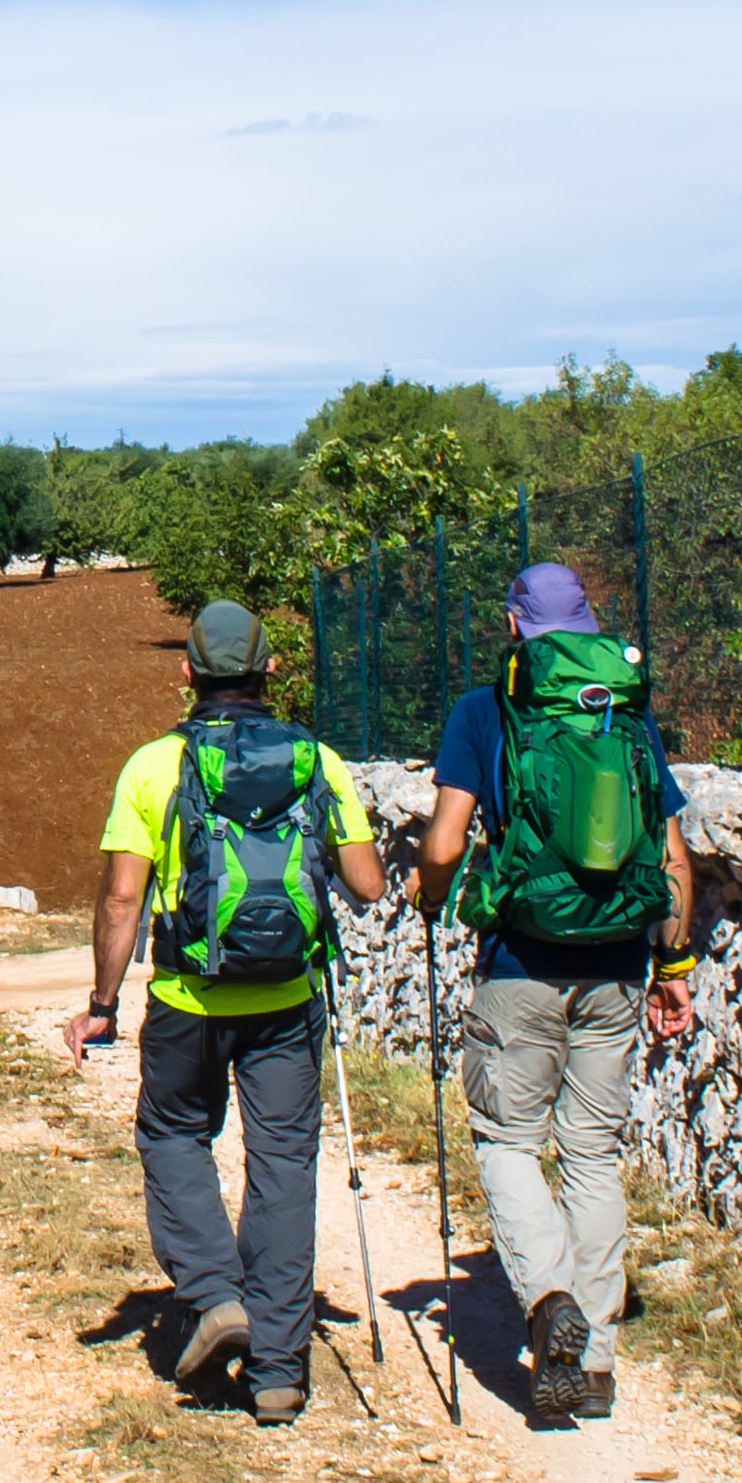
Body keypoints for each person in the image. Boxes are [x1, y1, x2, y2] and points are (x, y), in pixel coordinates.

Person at [64, 600, 388, 1426]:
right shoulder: (318, 762)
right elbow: (366, 883)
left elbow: (121, 897)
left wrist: (102, 1003)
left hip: (185, 999)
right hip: (286, 999)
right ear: (270, 668)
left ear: (187, 673)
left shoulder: (152, 768)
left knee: (173, 1134)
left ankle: (214, 1295)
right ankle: (280, 1373)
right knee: (282, 1164)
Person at [406, 562, 699, 1426]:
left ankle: (547, 1302)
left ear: (513, 625)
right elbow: (674, 857)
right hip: (617, 965)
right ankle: (598, 1363)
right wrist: (673, 970)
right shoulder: (629, 713)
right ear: (590, 623)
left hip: (519, 964)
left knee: (506, 1140)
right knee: (593, 1156)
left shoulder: (483, 708)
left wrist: (430, 901)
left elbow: (446, 842)